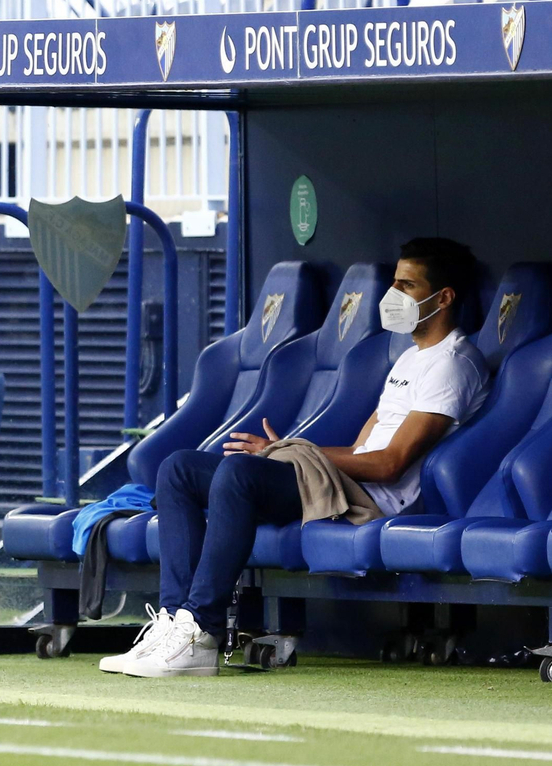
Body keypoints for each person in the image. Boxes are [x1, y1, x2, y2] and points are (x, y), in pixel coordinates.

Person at [108, 238, 490, 679]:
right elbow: (359, 449)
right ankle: (175, 622)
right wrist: (290, 453)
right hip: (342, 480)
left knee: (239, 473)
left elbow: (389, 464)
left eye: (407, 285)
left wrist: (294, 454)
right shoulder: (409, 358)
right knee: (178, 468)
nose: (394, 295)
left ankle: (202, 633)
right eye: (394, 283)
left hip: (373, 498)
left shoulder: (454, 364)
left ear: (442, 298)